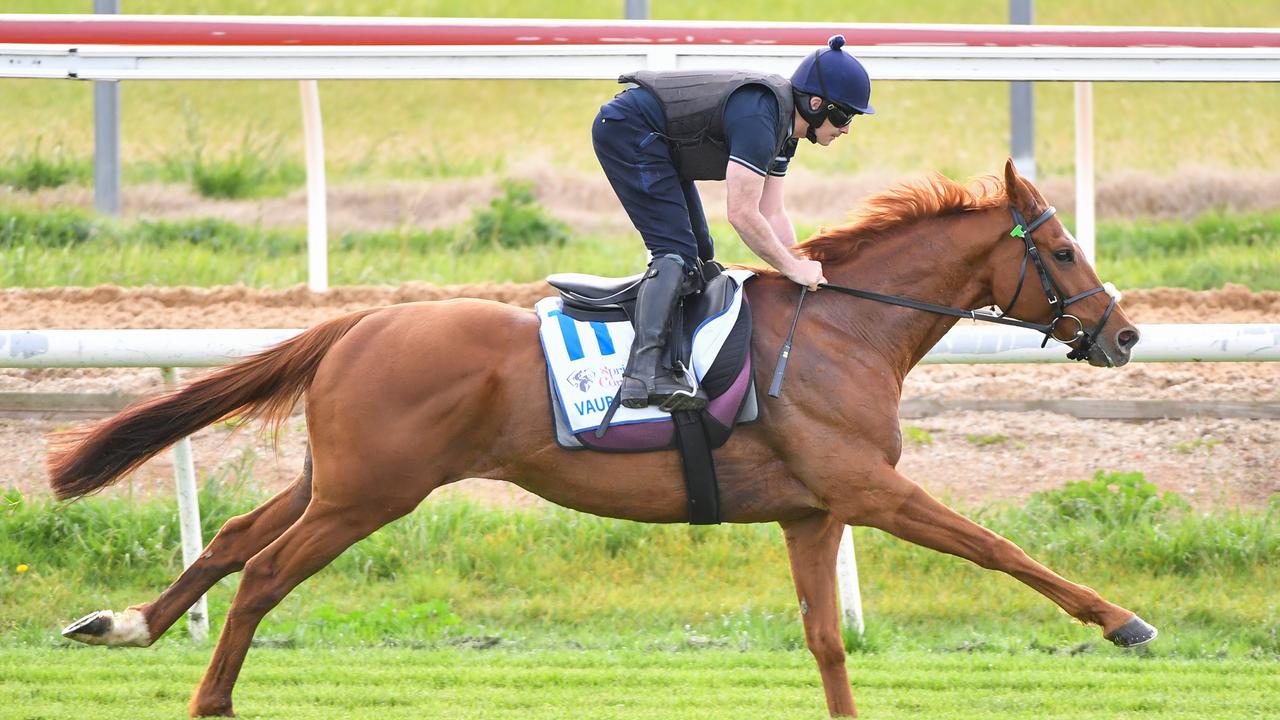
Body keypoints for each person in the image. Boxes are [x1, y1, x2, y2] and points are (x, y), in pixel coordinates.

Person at [591, 34, 874, 412]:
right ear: (816, 103)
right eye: (843, 116)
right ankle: (642, 373)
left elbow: (772, 212)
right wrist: (790, 268)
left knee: (700, 254)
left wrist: (800, 266)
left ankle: (676, 362)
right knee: (675, 250)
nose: (847, 128)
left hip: (658, 139)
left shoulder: (786, 130)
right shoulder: (761, 118)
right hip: (629, 129)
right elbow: (742, 214)